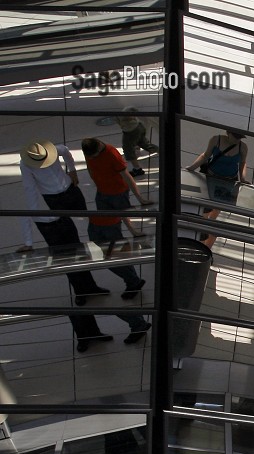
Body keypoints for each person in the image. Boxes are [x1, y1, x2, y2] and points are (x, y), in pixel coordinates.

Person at [17, 140, 139, 350]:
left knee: (81, 242)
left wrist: (72, 172)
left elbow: (66, 152)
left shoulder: (56, 151)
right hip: (52, 202)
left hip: (68, 190)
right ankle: (83, 290)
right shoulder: (28, 170)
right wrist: (29, 239)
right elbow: (29, 196)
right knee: (67, 256)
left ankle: (90, 286)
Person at [186, 129, 248, 247]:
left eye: (240, 137)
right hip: (211, 178)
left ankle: (208, 236)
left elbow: (243, 163)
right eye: (235, 136)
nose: (237, 139)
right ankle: (200, 239)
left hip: (228, 182)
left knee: (216, 208)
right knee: (205, 209)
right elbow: (205, 155)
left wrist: (243, 179)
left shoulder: (242, 147)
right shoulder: (216, 140)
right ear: (228, 134)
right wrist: (191, 168)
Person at [116, 107, 158, 175]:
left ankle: (137, 169)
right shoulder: (130, 113)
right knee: (145, 144)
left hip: (130, 132)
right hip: (138, 127)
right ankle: (163, 152)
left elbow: (122, 121)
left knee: (128, 150)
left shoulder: (123, 117)